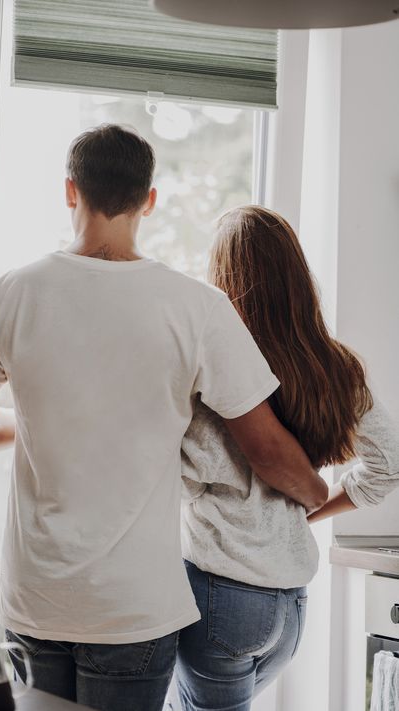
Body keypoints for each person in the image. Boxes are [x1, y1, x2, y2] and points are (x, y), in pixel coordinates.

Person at [0, 129, 326, 711]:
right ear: (149, 199)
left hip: (35, 600)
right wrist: (318, 492)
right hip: (135, 609)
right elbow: (267, 449)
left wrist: (40, 422)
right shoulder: (198, 308)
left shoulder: (7, 294)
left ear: (71, 191)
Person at [175, 205, 399, 711]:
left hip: (220, 594)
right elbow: (389, 464)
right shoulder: (334, 367)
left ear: (226, 279)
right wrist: (308, 508)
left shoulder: (218, 373)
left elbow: (178, 480)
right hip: (290, 607)